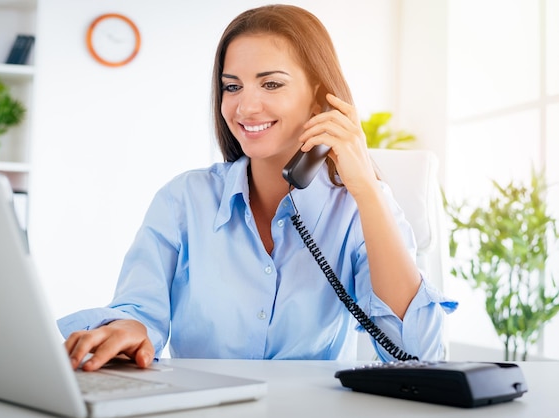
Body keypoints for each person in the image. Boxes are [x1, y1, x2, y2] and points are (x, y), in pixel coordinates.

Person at [59, 4, 457, 371]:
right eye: (232, 87)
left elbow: (419, 354)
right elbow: (139, 309)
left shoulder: (356, 207)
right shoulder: (183, 200)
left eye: (271, 85)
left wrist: (367, 191)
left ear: (321, 98)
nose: (245, 107)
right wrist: (130, 329)